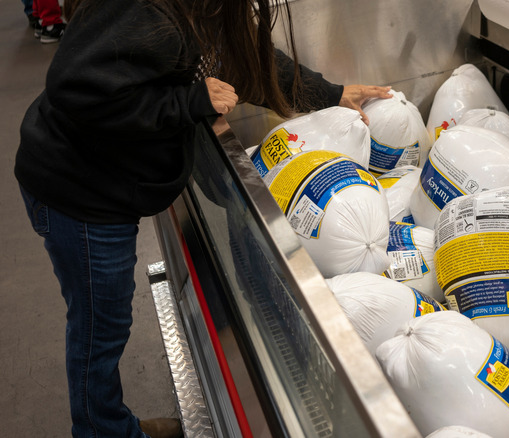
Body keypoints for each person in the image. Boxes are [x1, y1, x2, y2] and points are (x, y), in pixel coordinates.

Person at [14, 0, 390, 436]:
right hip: (78, 192)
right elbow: (77, 90)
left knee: (105, 318)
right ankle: (102, 428)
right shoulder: (149, 11)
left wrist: (331, 93)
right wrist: (187, 101)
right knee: (101, 323)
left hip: (106, 181)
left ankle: (108, 421)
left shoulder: (204, 8)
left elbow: (243, 54)